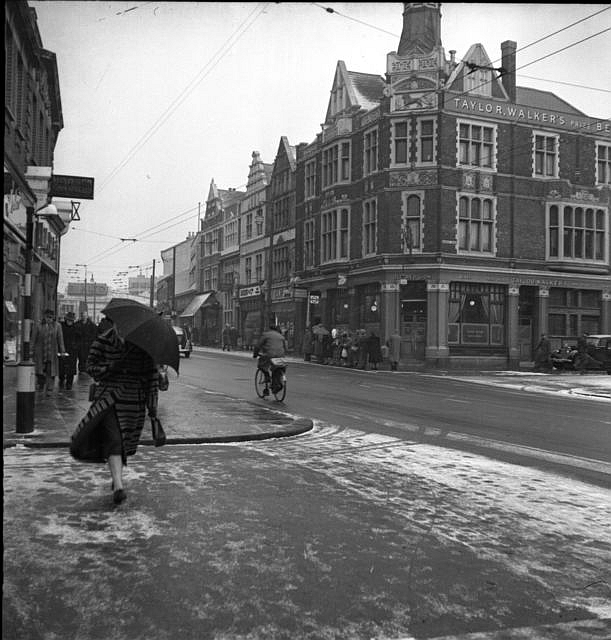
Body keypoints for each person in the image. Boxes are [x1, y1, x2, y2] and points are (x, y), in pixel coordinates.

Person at [70, 320, 161, 505]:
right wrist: (110, 368)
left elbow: (151, 378)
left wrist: (152, 408)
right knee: (114, 440)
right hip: (108, 399)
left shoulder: (142, 346)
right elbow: (91, 367)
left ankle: (116, 478)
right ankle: (119, 486)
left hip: (133, 402)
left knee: (123, 442)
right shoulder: (102, 342)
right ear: (114, 324)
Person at [31, 308, 66, 395]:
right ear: (44, 317)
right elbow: (33, 339)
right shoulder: (38, 325)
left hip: (52, 352)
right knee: (40, 371)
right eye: (47, 317)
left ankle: (49, 389)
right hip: (40, 352)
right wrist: (31, 350)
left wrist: (62, 351)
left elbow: (60, 339)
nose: (49, 319)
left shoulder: (57, 326)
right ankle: (41, 385)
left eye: (50, 317)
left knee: (51, 371)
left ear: (53, 317)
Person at [253, 323, 287, 395]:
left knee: (261, 365)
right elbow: (285, 347)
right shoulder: (281, 336)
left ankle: (267, 377)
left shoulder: (266, 335)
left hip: (269, 354)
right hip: (281, 355)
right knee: (277, 368)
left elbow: (258, 345)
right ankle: (277, 384)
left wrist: (255, 354)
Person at [59, 311, 79, 390]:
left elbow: (79, 338)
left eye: (71, 320)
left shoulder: (76, 328)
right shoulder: (61, 326)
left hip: (72, 350)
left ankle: (69, 383)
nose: (69, 322)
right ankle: (61, 379)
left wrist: (76, 345)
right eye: (68, 320)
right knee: (61, 366)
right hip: (62, 349)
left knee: (71, 367)